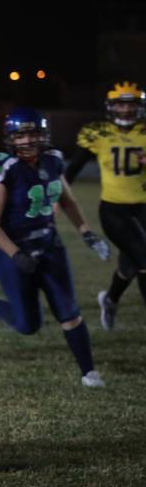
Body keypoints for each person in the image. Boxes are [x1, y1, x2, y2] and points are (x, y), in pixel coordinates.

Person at [0, 108, 110, 388]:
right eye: (20, 135)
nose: (27, 141)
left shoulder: (52, 160)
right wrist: (15, 255)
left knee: (69, 312)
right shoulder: (4, 168)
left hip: (49, 245)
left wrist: (87, 233)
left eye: (33, 133)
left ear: (44, 135)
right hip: (14, 250)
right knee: (28, 325)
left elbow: (67, 200)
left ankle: (89, 372)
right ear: (10, 138)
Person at [65, 82, 146, 330]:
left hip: (143, 208)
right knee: (143, 257)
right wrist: (57, 198)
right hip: (113, 210)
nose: (124, 110)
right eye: (120, 104)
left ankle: (110, 300)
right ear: (111, 107)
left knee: (130, 264)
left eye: (129, 105)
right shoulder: (98, 133)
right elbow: (72, 169)